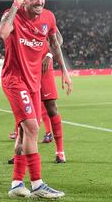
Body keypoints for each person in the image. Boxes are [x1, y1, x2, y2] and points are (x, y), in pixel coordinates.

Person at [0, 0, 72, 199]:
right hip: (15, 80)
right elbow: (2, 33)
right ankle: (37, 184)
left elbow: (55, 42)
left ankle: (17, 183)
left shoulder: (48, 17)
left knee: (24, 132)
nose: (39, 2)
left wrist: (64, 71)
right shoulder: (13, 15)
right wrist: (15, 5)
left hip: (34, 82)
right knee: (32, 128)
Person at [40, 28, 67, 163]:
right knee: (24, 112)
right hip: (25, 67)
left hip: (44, 68)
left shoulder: (47, 17)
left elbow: (58, 39)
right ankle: (20, 151)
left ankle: (60, 151)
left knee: (51, 107)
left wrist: (49, 55)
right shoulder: (19, 16)